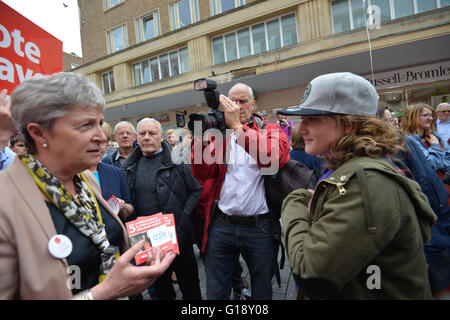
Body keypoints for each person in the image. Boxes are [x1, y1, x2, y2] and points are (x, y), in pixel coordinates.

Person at [0, 72, 175, 299]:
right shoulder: (7, 201)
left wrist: (135, 267)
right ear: (39, 132)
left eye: (100, 123)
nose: (101, 136)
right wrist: (102, 293)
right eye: (86, 125)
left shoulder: (86, 179)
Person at [280, 72, 436, 299]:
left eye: (312, 119)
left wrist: (295, 201)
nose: (301, 129)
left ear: (350, 124)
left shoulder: (367, 182)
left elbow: (310, 276)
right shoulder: (346, 169)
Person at [190, 82, 290, 300]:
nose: (236, 106)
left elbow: (271, 159)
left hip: (260, 227)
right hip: (222, 225)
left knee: (261, 291)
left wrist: (237, 127)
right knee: (216, 293)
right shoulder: (220, 136)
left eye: (242, 101)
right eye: (232, 101)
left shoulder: (270, 130)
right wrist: (201, 137)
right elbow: (201, 171)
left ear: (253, 104)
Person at [122, 118, 203, 300]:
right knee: (161, 292)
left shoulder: (177, 161)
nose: (147, 137)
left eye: (151, 133)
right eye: (142, 134)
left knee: (191, 289)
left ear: (160, 136)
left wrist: (182, 217)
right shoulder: (129, 168)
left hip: (178, 237)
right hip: (149, 243)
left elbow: (196, 191)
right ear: (137, 138)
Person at [88, 123, 134, 222]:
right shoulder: (71, 175)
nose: (98, 147)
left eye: (103, 142)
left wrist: (122, 205)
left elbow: (129, 208)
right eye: (93, 141)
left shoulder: (115, 172)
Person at [401, 103, 450, 173]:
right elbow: (430, 164)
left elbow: (447, 156)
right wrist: (435, 145)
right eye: (425, 115)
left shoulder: (433, 135)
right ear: (413, 117)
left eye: (431, 115)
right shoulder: (408, 140)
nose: (430, 118)